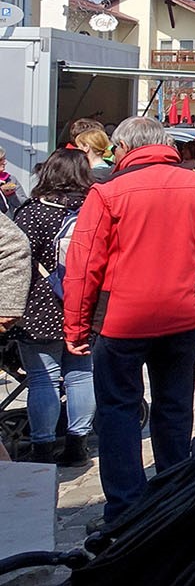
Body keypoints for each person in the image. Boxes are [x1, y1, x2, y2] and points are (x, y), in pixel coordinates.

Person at [62, 115, 195, 522]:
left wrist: (74, 326)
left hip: (122, 321)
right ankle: (175, 493)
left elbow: (84, 264)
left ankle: (126, 508)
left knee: (118, 411)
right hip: (182, 316)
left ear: (124, 149)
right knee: (174, 407)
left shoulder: (108, 191)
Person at [13, 149, 95, 464]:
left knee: (42, 376)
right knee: (80, 374)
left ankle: (43, 448)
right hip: (85, 301)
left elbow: (18, 261)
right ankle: (78, 444)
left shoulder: (33, 212)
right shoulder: (94, 208)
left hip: (40, 303)